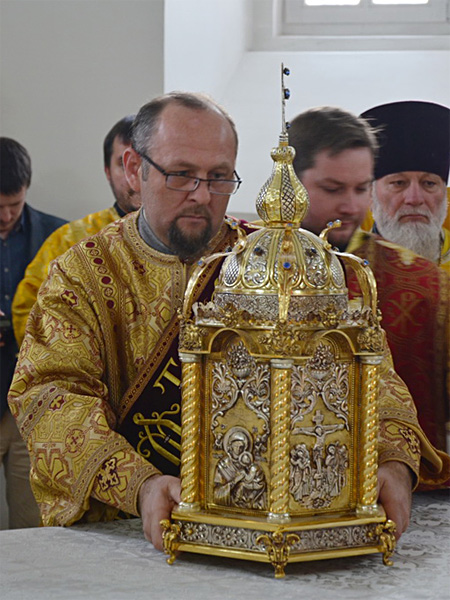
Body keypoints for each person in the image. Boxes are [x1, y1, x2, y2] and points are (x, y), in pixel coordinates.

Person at [7, 94, 447, 553]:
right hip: (127, 532)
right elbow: (49, 396)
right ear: (135, 169)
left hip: (264, 534)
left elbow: (369, 373)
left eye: (219, 177)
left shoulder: (282, 263)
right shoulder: (82, 275)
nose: (201, 195)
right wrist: (139, 485)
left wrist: (394, 462)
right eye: (181, 174)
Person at [288, 106, 450, 460]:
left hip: (404, 480)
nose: (350, 206)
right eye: (333, 189)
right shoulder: (239, 266)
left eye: (360, 188)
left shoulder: (428, 284)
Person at [12, 115, 141, 347]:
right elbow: (28, 312)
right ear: (107, 172)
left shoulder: (189, 240)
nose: (135, 175)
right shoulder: (68, 241)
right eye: (123, 164)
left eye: (144, 163)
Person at [0, 137, 67, 528]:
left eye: (14, 204)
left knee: (30, 526)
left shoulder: (60, 237)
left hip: (33, 404)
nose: (6, 215)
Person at [359, 101, 450, 273]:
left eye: (429, 183)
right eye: (398, 183)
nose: (414, 199)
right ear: (370, 194)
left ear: (445, 194)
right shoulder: (345, 266)